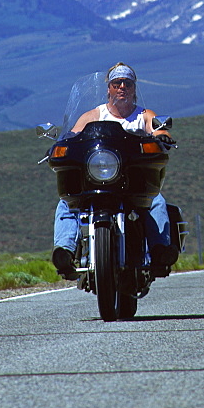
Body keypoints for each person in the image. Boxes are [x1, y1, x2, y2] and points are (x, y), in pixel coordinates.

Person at [51, 62, 177, 279]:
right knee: (67, 201)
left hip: (131, 182)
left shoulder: (143, 115)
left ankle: (159, 250)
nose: (122, 88)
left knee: (156, 200)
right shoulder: (92, 115)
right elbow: (72, 136)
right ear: (108, 88)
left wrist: (160, 135)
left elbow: (157, 129)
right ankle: (64, 252)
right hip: (95, 181)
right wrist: (61, 145)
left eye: (127, 83)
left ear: (134, 88)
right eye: (117, 83)